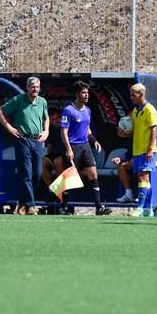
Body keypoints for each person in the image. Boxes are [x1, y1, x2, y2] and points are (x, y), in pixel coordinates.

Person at [0, 76, 49, 216]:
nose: (35, 89)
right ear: (27, 88)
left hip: (37, 141)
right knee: (26, 173)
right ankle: (31, 206)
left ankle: (22, 202)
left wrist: (46, 131)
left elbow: (46, 118)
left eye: (37, 87)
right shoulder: (18, 100)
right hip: (22, 139)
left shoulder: (42, 102)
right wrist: (9, 127)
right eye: (32, 87)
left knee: (37, 174)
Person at [60, 80, 112, 216]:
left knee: (93, 174)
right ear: (77, 94)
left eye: (87, 92)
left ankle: (99, 207)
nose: (86, 95)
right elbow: (64, 131)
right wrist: (68, 149)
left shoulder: (87, 110)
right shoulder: (68, 110)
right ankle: (63, 207)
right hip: (74, 146)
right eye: (84, 93)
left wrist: (94, 141)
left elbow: (87, 129)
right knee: (69, 177)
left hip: (85, 146)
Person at [118, 83, 157, 217]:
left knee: (142, 177)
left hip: (147, 151)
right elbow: (135, 130)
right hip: (137, 151)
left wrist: (151, 149)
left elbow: (154, 130)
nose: (131, 97)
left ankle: (140, 208)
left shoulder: (150, 110)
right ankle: (149, 209)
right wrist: (125, 134)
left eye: (133, 95)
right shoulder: (135, 111)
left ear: (141, 94)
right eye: (130, 94)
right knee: (146, 180)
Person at [41, 108, 65, 191]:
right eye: (53, 119)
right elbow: (51, 146)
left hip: (67, 155)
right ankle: (52, 191)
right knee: (43, 163)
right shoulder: (50, 129)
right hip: (55, 154)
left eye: (58, 117)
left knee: (58, 161)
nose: (57, 121)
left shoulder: (66, 127)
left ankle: (60, 191)